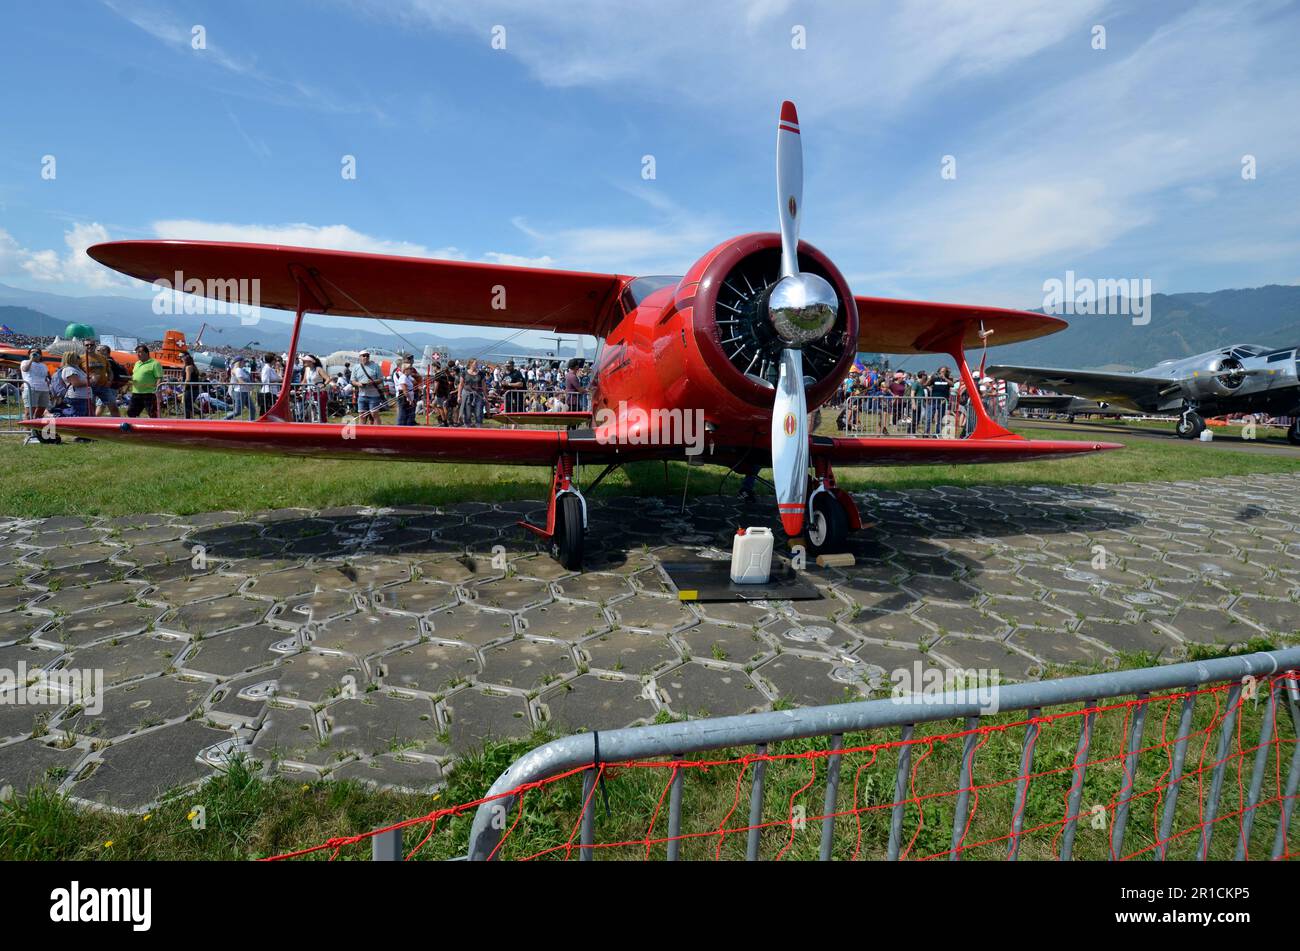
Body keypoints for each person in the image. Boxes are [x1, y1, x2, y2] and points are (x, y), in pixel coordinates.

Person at [19, 347, 51, 443]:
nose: (34, 354)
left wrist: (48, 381)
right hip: (31, 388)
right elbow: (24, 370)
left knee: (40, 411)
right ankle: (27, 434)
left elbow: (46, 376)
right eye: (32, 352)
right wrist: (31, 360)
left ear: (40, 355)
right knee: (29, 412)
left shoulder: (44, 365)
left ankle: (35, 431)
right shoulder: (25, 362)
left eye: (36, 352)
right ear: (29, 354)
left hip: (44, 389)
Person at [81, 338, 118, 417]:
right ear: (84, 346)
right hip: (89, 387)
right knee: (91, 409)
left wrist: (109, 381)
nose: (89, 346)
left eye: (92, 344)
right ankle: (91, 425)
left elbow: (110, 371)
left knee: (113, 406)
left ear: (95, 346)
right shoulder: (81, 359)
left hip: (103, 386)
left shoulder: (102, 358)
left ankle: (118, 425)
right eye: (87, 345)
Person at [127, 344, 163, 417]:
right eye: (136, 352)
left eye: (140, 352)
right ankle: (134, 427)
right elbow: (134, 376)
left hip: (149, 393)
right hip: (136, 392)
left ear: (147, 353)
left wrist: (157, 391)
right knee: (131, 413)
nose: (138, 354)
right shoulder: (137, 363)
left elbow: (159, 378)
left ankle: (155, 427)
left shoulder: (155, 363)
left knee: (152, 414)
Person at [350, 350, 384, 424]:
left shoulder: (375, 366)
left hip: (374, 395)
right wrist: (359, 384)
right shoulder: (356, 367)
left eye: (367, 355)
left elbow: (381, 379)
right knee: (362, 415)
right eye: (364, 355)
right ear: (360, 357)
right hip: (361, 395)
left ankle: (378, 432)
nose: (366, 357)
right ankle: (361, 433)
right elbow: (352, 381)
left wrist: (373, 382)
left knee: (374, 414)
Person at [60, 351, 93, 417]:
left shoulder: (76, 369)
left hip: (83, 397)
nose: (80, 358)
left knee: (85, 418)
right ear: (71, 358)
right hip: (77, 398)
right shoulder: (70, 369)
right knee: (78, 417)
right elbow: (76, 383)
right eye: (78, 357)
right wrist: (91, 381)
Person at [459, 358, 485, 427]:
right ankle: (467, 427)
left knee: (478, 413)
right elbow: (461, 384)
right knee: (467, 413)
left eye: (477, 364)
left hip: (478, 394)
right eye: (475, 364)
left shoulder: (481, 373)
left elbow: (483, 385)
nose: (476, 365)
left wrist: (486, 396)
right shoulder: (464, 373)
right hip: (467, 394)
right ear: (470, 364)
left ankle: (479, 427)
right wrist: (459, 396)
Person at [391, 356, 417, 426]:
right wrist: (409, 399)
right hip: (403, 397)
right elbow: (404, 390)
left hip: (408, 396)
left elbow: (414, 382)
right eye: (410, 369)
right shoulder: (402, 377)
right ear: (405, 369)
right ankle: (400, 426)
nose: (411, 370)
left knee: (408, 413)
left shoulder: (407, 376)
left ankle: (408, 425)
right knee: (402, 413)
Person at [258, 353, 281, 417]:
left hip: (272, 392)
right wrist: (277, 380)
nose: (276, 361)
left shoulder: (270, 368)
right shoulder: (267, 368)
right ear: (272, 360)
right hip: (267, 392)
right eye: (275, 360)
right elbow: (265, 380)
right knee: (266, 412)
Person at [180, 352, 200, 418]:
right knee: (189, 405)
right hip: (195, 389)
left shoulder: (188, 367)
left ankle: (188, 419)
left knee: (187, 405)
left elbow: (187, 379)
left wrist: (184, 388)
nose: (181, 358)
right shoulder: (194, 367)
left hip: (189, 389)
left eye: (182, 357)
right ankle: (200, 413)